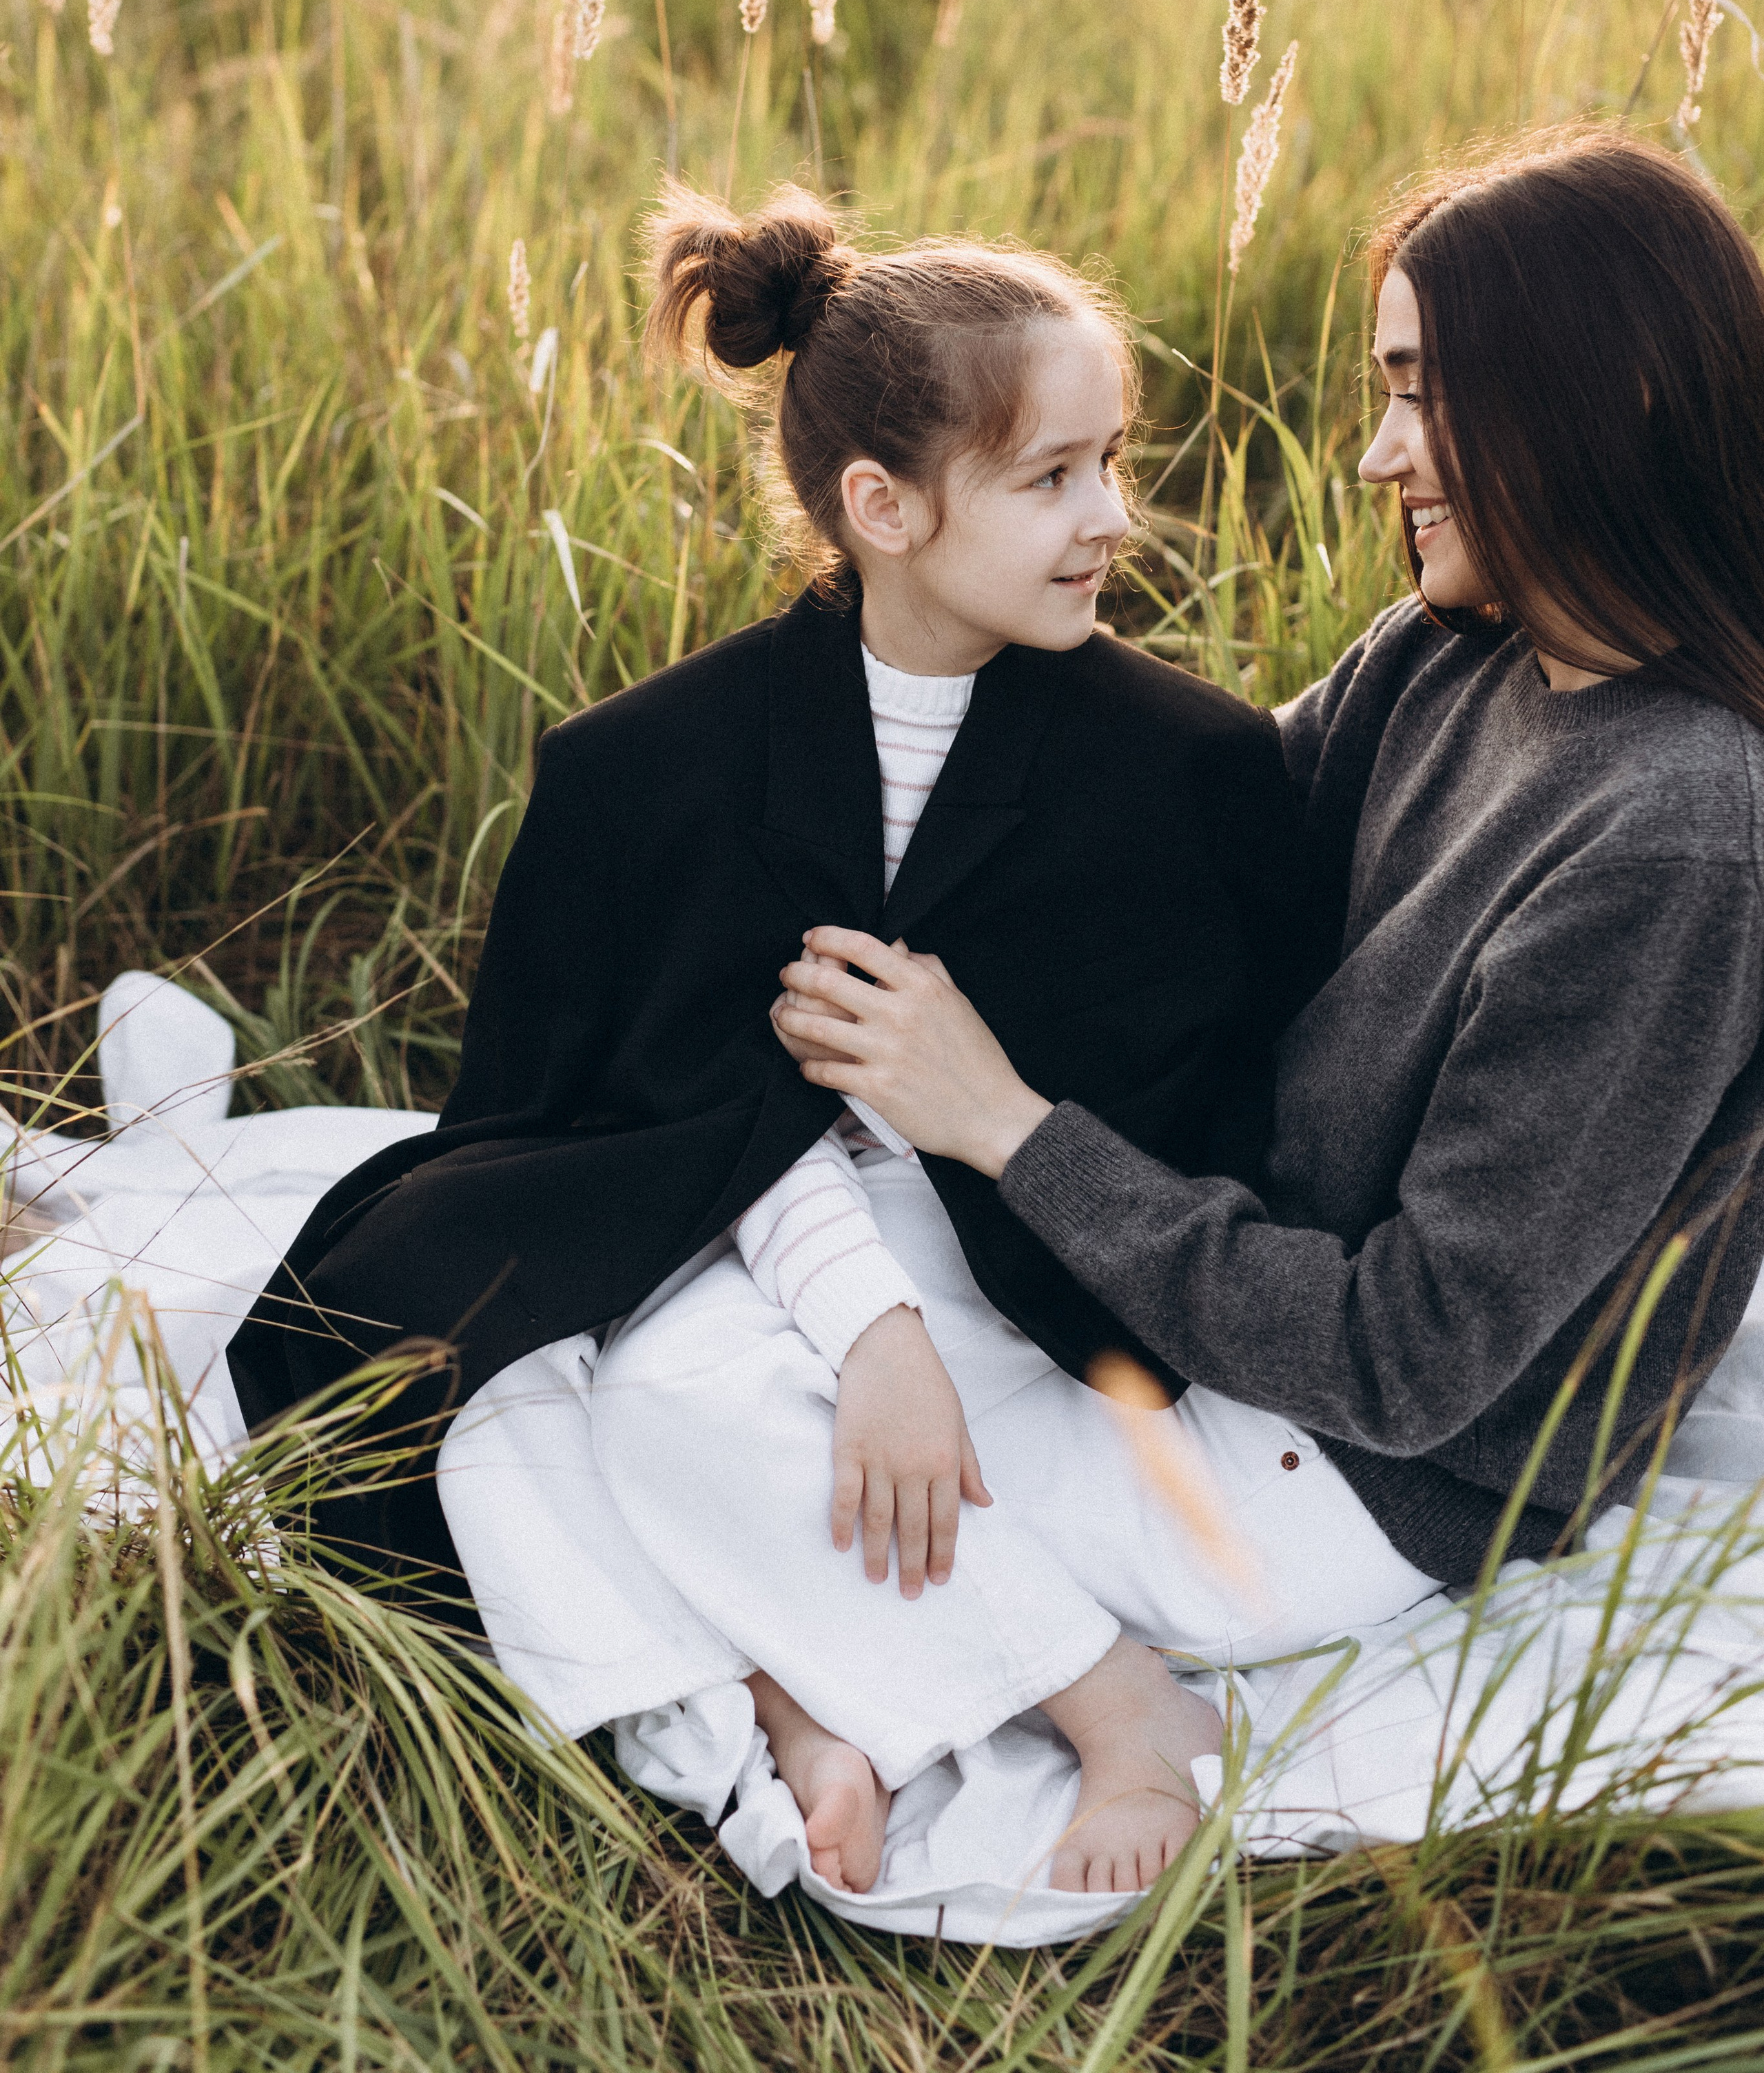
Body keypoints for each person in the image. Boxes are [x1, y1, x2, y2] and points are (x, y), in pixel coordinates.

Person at [229, 183, 1324, 1891]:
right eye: (1051, 479)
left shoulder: (1183, 769)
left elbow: (1210, 1103)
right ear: (880, 506)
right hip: (753, 1235)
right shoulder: (647, 769)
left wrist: (933, 1263)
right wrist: (867, 1325)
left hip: (1024, 1249)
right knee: (531, 1378)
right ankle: (803, 1706)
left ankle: (1089, 1715)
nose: (1112, 516)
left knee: (674, 1405)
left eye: (1115, 461)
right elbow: (652, 1116)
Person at [763, 126, 1764, 1859]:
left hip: (1346, 1477)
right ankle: (826, 1694)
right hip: (1190, 1303)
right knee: (694, 1291)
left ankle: (968, 1696)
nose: (1380, 453)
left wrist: (1005, 1130)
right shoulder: (1441, 657)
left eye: (1419, 394)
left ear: (1596, 398)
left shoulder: (1675, 838)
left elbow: (1409, 1363)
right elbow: (1156, 867)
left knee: (663, 1409)